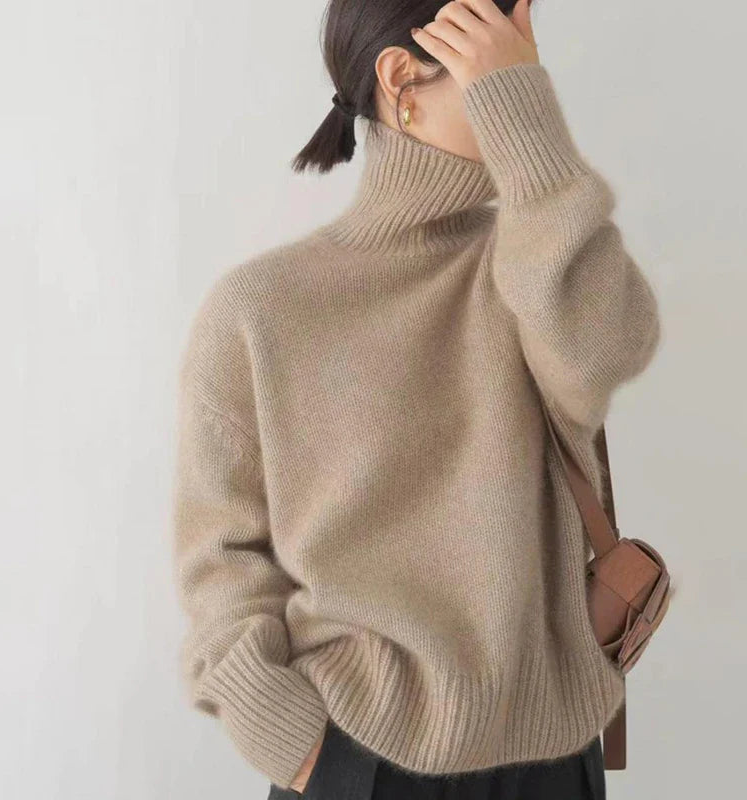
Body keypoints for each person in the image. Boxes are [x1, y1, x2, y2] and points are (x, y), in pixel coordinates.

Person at [171, 1, 661, 798]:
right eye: (494, 57)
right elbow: (220, 562)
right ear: (401, 78)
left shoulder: (533, 267)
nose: (524, 81)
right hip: (358, 763)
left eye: (527, 60)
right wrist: (303, 751)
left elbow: (611, 347)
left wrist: (531, 134)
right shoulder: (260, 310)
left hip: (552, 764)